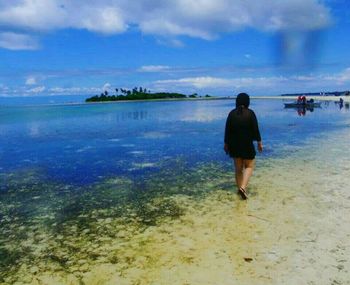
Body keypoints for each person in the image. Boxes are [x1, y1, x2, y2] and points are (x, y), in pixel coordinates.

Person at [224, 93, 263, 200]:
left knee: (238, 169)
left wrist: (226, 144)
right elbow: (255, 129)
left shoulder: (231, 113)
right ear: (247, 102)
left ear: (237, 101)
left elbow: (227, 130)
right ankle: (243, 187)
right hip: (247, 144)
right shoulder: (250, 113)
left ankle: (239, 189)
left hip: (234, 145)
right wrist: (259, 142)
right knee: (249, 166)